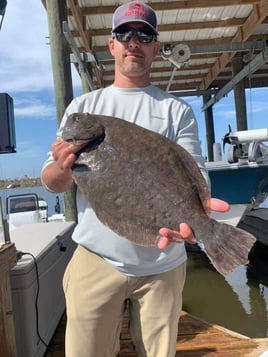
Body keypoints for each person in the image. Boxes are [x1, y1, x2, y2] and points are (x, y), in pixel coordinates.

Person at [41, 2, 229, 356]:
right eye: (123, 34)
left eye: (144, 35)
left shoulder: (176, 110)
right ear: (112, 45)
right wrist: (61, 166)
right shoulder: (83, 108)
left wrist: (195, 219)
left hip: (163, 264)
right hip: (96, 257)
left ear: (155, 47)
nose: (133, 41)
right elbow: (53, 181)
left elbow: (194, 169)